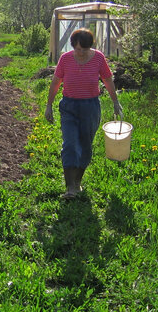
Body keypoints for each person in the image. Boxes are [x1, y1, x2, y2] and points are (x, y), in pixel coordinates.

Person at [44, 28, 123, 199]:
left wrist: (115, 102)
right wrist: (49, 105)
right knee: (70, 143)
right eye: (77, 49)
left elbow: (107, 79)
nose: (80, 53)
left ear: (90, 47)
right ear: (73, 46)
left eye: (84, 50)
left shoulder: (99, 58)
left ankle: (78, 181)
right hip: (69, 106)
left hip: (90, 106)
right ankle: (70, 187)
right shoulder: (65, 59)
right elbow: (56, 82)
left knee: (86, 145)